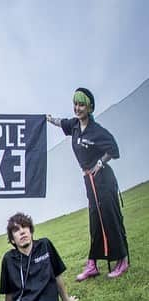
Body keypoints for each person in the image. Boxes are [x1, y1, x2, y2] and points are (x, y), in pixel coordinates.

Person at [47, 87, 129, 279]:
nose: (77, 108)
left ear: (90, 107)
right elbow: (60, 123)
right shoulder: (75, 126)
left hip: (104, 181)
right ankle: (92, 264)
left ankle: (122, 260)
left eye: (81, 104)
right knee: (94, 220)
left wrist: (100, 163)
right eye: (75, 104)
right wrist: (47, 119)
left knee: (110, 217)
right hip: (88, 181)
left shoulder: (97, 131)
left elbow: (114, 149)